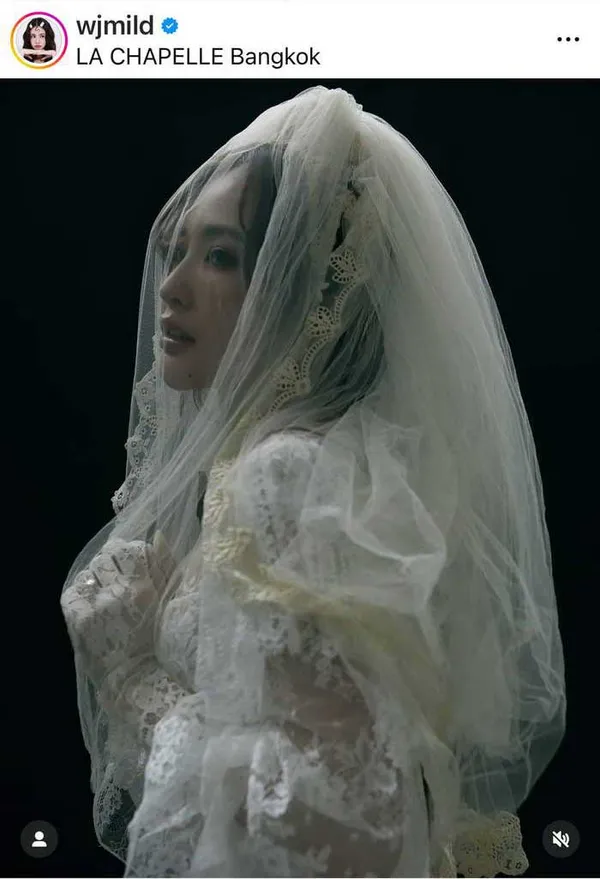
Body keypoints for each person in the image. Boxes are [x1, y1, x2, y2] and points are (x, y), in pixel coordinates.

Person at [60, 86, 566, 877]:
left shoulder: (287, 477)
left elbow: (353, 824)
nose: (173, 285)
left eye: (221, 256)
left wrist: (135, 682)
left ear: (300, 288)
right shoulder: (317, 471)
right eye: (176, 250)